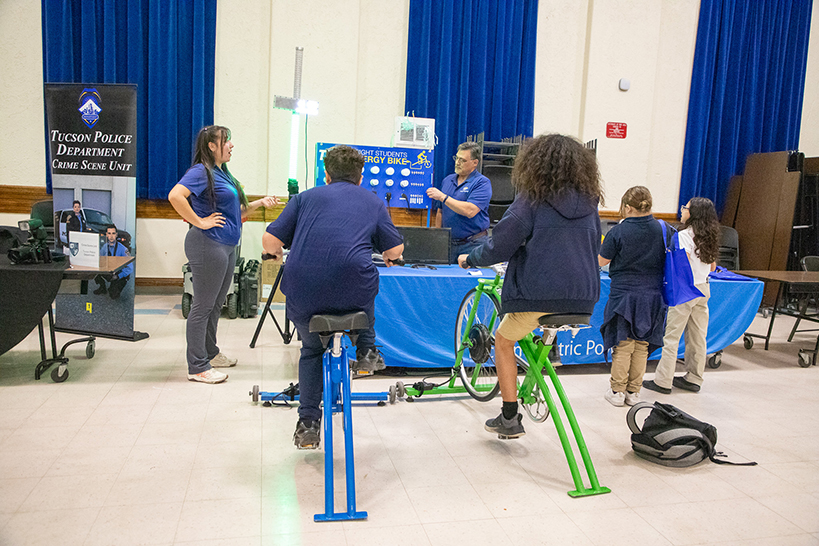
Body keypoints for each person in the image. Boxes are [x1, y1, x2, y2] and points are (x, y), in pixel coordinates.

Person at [458, 134, 603, 439]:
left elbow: (500, 246)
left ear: (535, 164)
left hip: (539, 295)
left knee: (503, 340)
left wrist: (470, 258)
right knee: (533, 326)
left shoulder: (533, 199)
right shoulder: (590, 203)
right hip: (584, 298)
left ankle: (509, 416)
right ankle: (547, 356)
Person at [263, 145, 404, 449]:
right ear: (360, 177)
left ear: (326, 174)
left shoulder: (303, 198)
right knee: (366, 281)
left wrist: (275, 253)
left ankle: (308, 423)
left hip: (305, 292)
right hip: (354, 293)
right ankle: (366, 349)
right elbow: (394, 250)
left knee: (311, 351)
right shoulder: (373, 201)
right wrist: (390, 256)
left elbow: (270, 240)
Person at [168, 125, 277, 384]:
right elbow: (175, 196)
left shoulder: (221, 173)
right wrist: (199, 221)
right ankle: (197, 366)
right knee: (202, 307)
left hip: (226, 246)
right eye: (226, 141)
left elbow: (236, 212)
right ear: (211, 146)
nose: (231, 145)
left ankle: (211, 353)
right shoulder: (201, 171)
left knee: (217, 304)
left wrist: (260, 203)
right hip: (208, 244)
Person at [598, 186, 667, 407]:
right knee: (642, 345)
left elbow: (601, 261)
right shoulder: (664, 230)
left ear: (628, 207)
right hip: (653, 295)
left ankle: (617, 391)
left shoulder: (618, 232)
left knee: (623, 343)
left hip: (625, 295)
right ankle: (634, 392)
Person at [644, 197, 719, 394]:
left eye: (686, 207)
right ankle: (694, 378)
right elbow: (713, 267)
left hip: (685, 290)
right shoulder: (710, 236)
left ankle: (663, 381)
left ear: (693, 214)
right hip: (704, 288)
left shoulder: (683, 236)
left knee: (672, 337)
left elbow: (681, 266)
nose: (682, 210)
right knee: (698, 337)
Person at [426, 141, 491, 263]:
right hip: (448, 243)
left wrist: (443, 197)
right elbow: (440, 211)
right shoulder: (447, 180)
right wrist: (438, 237)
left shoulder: (482, 183)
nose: (457, 162)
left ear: (475, 163)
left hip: (472, 244)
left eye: (463, 160)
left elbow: (470, 211)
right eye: (457, 158)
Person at [93, 225, 133, 300]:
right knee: (94, 271)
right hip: (109, 271)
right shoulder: (105, 247)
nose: (111, 236)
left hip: (118, 274)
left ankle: (113, 287)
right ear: (106, 235)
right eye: (109, 233)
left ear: (116, 235)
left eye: (113, 233)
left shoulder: (123, 249)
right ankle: (102, 287)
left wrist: (118, 276)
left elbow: (130, 268)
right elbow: (99, 259)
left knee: (114, 296)